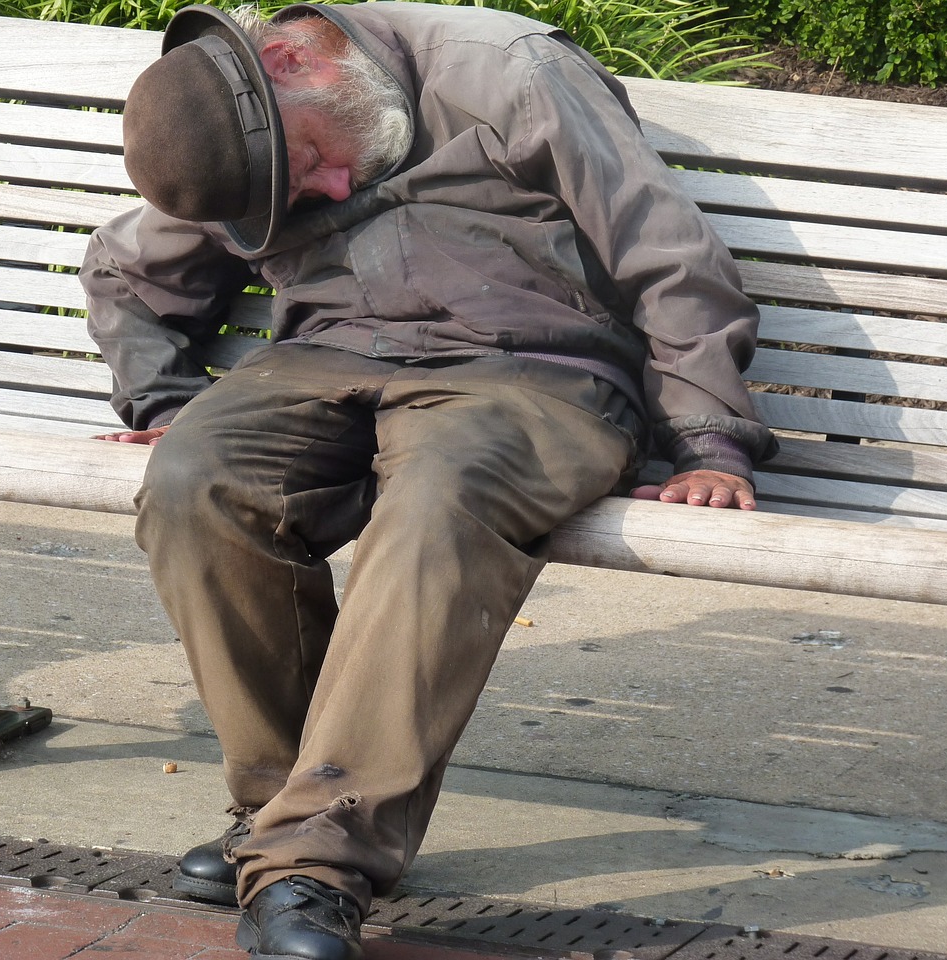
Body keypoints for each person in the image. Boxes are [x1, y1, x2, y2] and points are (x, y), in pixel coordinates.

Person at [81, 4, 777, 958]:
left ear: (290, 60)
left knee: (437, 500)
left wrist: (709, 439)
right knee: (193, 479)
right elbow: (127, 271)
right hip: (326, 358)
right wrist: (162, 402)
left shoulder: (509, 72)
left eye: (313, 157)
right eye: (301, 185)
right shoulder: (234, 126)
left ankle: (314, 862)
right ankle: (284, 815)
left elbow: (663, 250)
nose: (329, 188)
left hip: (535, 370)